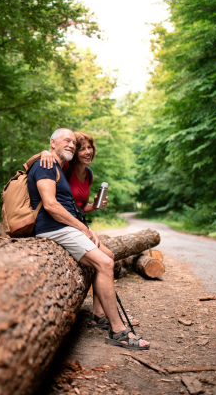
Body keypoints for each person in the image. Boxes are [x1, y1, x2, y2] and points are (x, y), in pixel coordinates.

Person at [27, 128, 150, 350]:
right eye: (68, 141)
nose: (73, 145)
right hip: (55, 227)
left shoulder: (58, 165)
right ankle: (118, 331)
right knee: (105, 263)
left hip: (65, 225)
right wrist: (83, 228)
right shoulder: (46, 164)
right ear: (53, 142)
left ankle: (98, 315)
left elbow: (71, 202)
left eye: (74, 142)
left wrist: (85, 219)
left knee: (107, 257)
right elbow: (51, 205)